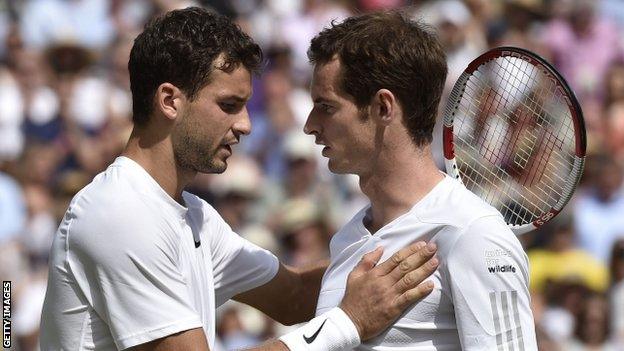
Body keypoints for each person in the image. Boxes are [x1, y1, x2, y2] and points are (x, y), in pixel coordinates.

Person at [38, 7, 439, 351]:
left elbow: (295, 295)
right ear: (169, 101)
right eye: (229, 105)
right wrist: (347, 324)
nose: (245, 125)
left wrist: (426, 237)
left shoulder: (194, 215)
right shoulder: (121, 213)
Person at [303, 11, 538, 350]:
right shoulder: (347, 237)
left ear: (384, 107)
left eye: (326, 106)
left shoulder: (474, 232)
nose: (310, 124)